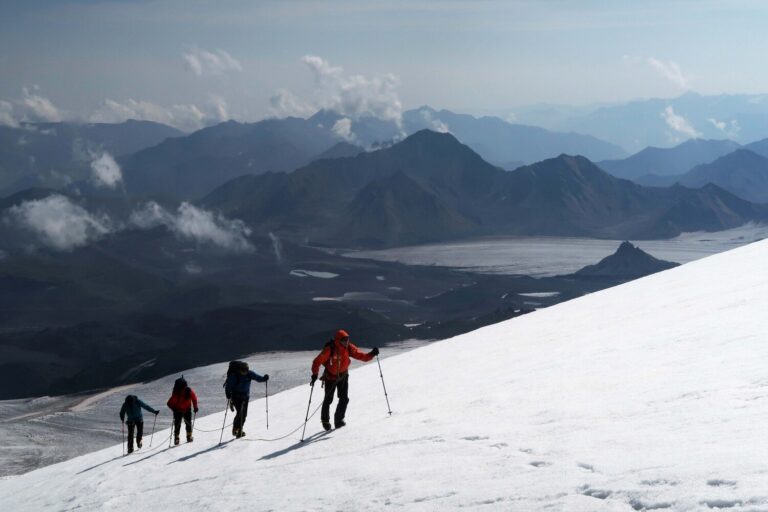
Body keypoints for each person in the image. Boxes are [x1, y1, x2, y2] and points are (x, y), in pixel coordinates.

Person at [311, 329, 379, 431]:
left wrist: (371, 354)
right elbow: (317, 361)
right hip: (330, 378)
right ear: (338, 340)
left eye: (347, 339)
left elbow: (360, 355)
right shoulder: (330, 349)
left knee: (344, 398)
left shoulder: (348, 347)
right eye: (344, 340)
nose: (346, 342)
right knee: (328, 400)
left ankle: (338, 421)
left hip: (343, 376)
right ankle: (325, 421)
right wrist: (315, 374)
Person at [224, 361, 269, 438]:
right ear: (240, 370)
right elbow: (228, 386)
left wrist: (264, 379)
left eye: (245, 371)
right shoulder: (235, 376)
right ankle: (237, 429)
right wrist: (228, 394)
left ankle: (239, 429)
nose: (244, 373)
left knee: (244, 414)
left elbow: (258, 378)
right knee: (240, 412)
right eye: (243, 371)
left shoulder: (249, 373)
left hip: (245, 397)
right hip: (236, 397)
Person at [166, 375, 199, 445]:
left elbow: (169, 403)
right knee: (188, 423)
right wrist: (195, 407)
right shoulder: (188, 391)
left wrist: (174, 409)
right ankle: (189, 437)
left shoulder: (176, 393)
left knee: (177, 425)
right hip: (187, 409)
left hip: (178, 411)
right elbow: (194, 398)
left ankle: (176, 439)